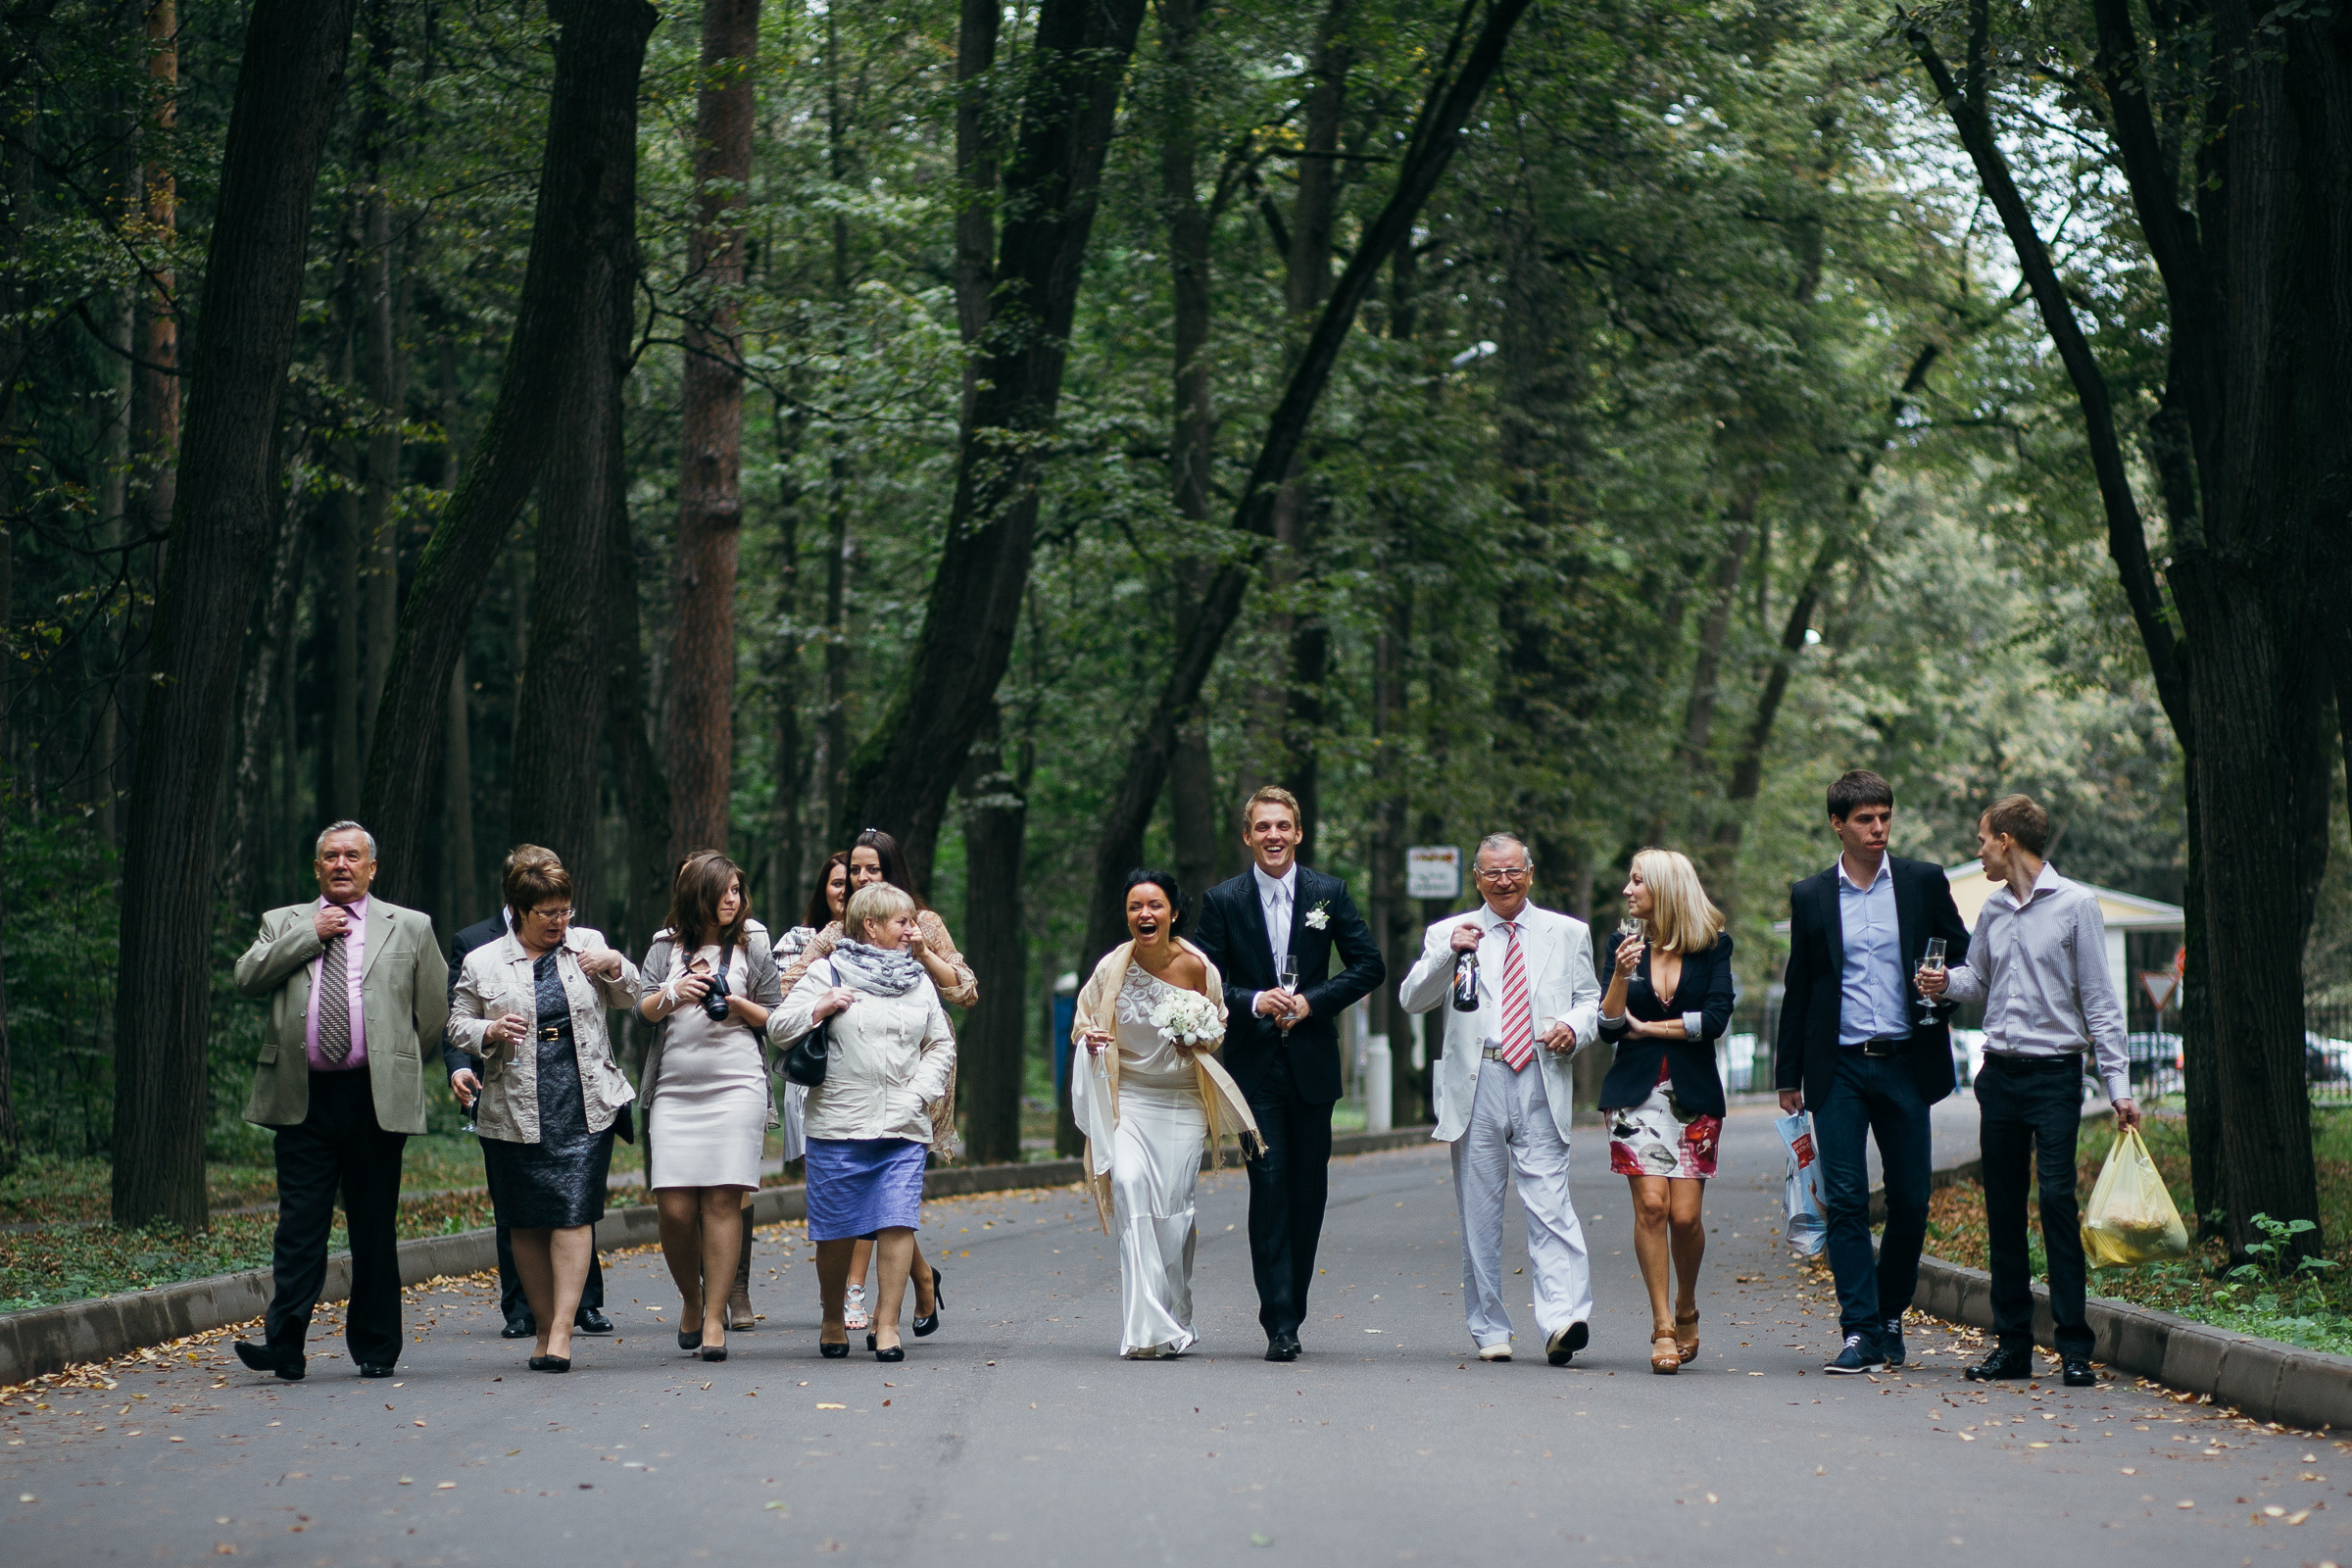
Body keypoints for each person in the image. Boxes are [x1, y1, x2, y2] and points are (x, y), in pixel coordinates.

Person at [1919, 794, 2135, 1388]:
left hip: (2055, 1076)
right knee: (2004, 1212)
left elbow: (2099, 1000)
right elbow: (1978, 981)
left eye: (1982, 838)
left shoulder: (2076, 906)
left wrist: (2118, 1086)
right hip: (2002, 1077)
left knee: (2058, 1206)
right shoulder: (1991, 910)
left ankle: (2073, 1348)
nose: (1978, 849)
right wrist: (1942, 984)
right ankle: (2012, 1346)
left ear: (2007, 841)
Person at [229, 820, 449, 1382]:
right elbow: (246, 978)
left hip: (374, 1098)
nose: (342, 864)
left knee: (373, 1227)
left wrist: (398, 1064)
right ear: (317, 868)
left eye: (353, 856)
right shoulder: (283, 923)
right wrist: (310, 933)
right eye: (331, 857)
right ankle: (285, 1346)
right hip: (302, 1099)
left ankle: (376, 1346)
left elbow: (433, 1012)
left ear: (372, 868)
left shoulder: (411, 926)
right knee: (299, 1226)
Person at [1775, 769, 1971, 1374]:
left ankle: (1890, 1314)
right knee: (1847, 1201)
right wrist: (1789, 1078)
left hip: (1907, 1063)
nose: (1878, 829)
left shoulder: (1921, 882)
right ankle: (1860, 1330)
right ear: (1838, 824)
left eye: (1885, 817)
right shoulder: (1811, 895)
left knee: (1912, 1201)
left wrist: (1943, 990)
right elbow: (1800, 986)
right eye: (1865, 819)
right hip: (1838, 1070)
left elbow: (1962, 955)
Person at [1191, 785, 1386, 1361]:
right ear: (1248, 836)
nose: (1273, 836)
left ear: (1298, 833)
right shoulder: (1223, 900)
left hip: (1311, 1064)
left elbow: (1368, 965)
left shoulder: (1329, 893)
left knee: (1308, 1193)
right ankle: (1279, 1321)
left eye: (1283, 826)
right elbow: (1203, 976)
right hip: (1255, 1069)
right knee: (1268, 1187)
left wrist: (1312, 1002)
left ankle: (1292, 1303)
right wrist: (1253, 1000)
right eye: (1262, 827)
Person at [1399, 833, 1598, 1366]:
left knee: (1551, 1204)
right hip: (1477, 1079)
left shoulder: (1568, 931)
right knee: (1479, 1213)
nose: (1503, 881)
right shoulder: (1450, 932)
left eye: (1512, 871)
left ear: (1530, 873)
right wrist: (1448, 953)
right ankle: (1489, 1327)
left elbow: (1591, 1002)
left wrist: (1573, 1028)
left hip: (1540, 1071)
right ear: (1478, 880)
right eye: (1492, 873)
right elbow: (1412, 999)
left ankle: (1563, 1320)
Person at [448, 858, 640, 1372]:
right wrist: (486, 1032)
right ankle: (541, 1322)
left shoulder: (588, 945)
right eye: (547, 913)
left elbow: (632, 997)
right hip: (514, 1102)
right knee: (525, 1221)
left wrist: (616, 965)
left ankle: (561, 1331)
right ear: (517, 911)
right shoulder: (483, 961)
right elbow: (456, 1023)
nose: (559, 921)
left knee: (575, 1212)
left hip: (584, 1100)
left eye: (565, 910)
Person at [1070, 869, 1263, 1358]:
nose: (1144, 915)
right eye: (1135, 906)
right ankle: (1145, 1328)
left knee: (1172, 1214)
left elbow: (1217, 1028)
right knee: (1131, 1186)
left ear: (1174, 912)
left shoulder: (1198, 967)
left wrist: (1195, 1036)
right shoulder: (1110, 968)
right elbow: (1082, 1023)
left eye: (1154, 905)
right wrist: (1091, 1039)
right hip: (1129, 1098)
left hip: (1182, 1102)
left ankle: (1177, 1312)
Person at [767, 881, 956, 1362]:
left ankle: (887, 1324)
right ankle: (833, 1317)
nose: (913, 931)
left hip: (902, 1125)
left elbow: (941, 1044)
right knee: (835, 1231)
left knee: (897, 1221)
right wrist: (820, 1006)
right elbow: (777, 1028)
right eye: (904, 922)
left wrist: (918, 1094)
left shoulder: (918, 980)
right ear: (870, 926)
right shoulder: (825, 972)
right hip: (838, 1123)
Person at [797, 829, 973, 1341]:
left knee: (894, 1195)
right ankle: (915, 1279)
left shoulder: (922, 923)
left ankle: (883, 1308)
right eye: (854, 870)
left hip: (914, 1062)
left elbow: (964, 989)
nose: (861, 878)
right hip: (849, 1074)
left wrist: (919, 953)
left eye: (872, 870)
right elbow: (792, 992)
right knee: (876, 1196)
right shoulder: (837, 932)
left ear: (891, 870)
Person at [1596, 848, 1737, 1374]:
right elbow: (1610, 1026)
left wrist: (1653, 1027)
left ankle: (1687, 1305)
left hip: (1693, 1092)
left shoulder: (1713, 947)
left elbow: (1717, 1018)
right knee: (1652, 1208)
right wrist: (1618, 976)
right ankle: (1660, 1325)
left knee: (1686, 1216)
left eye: (1637, 882)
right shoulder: (1623, 944)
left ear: (1665, 888)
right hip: (1634, 1094)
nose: (1628, 891)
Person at [637, 852, 781, 1360]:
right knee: (674, 1208)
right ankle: (692, 1300)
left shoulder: (752, 946)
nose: (732, 899)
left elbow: (777, 1017)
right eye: (723, 890)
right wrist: (675, 992)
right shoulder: (664, 948)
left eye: (737, 891)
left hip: (737, 1086)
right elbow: (643, 1009)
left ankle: (716, 1316)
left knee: (722, 1202)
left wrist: (737, 1005)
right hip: (674, 1092)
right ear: (698, 893)